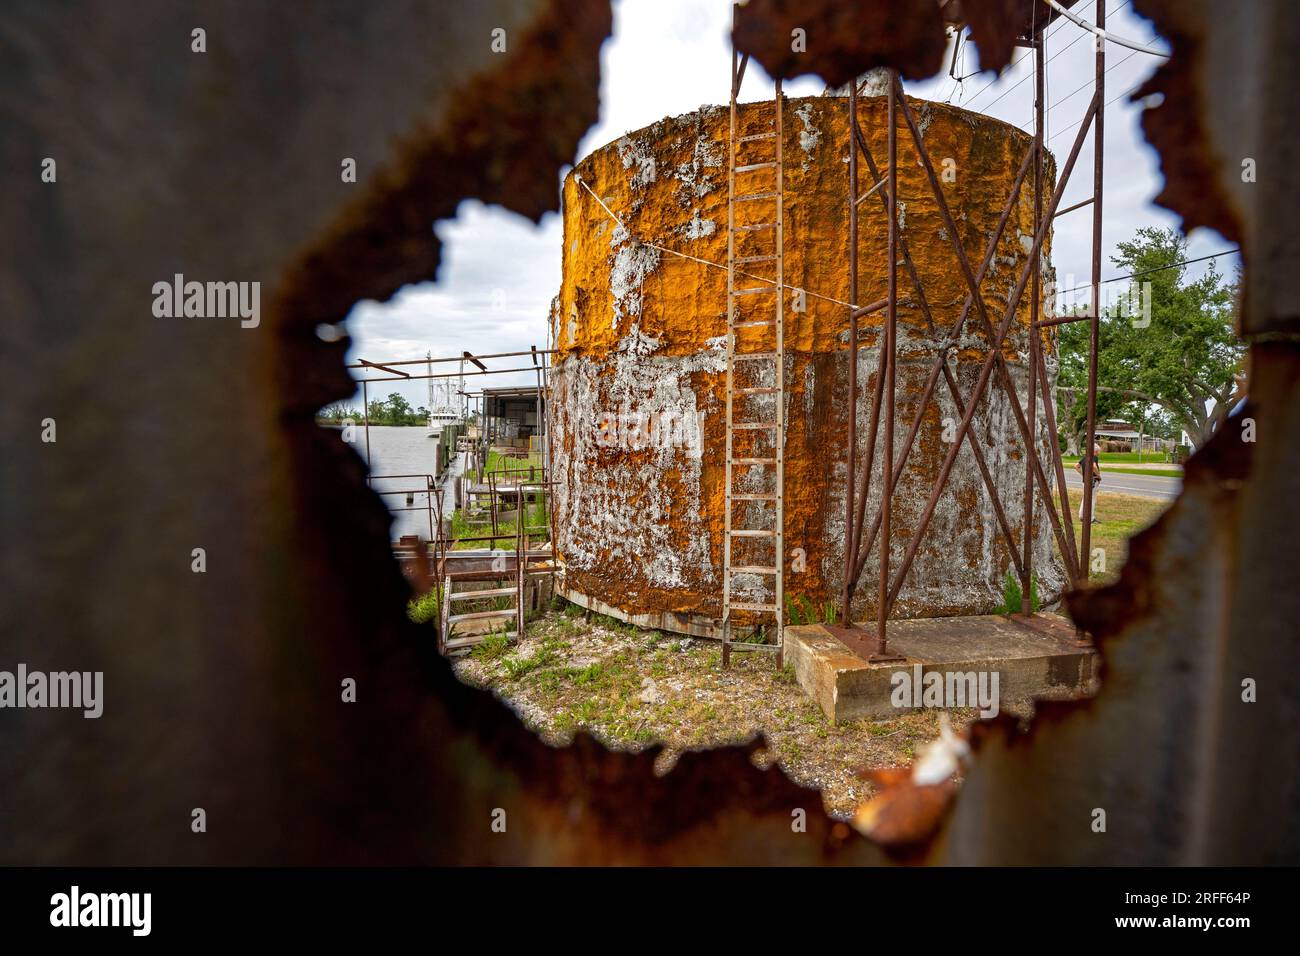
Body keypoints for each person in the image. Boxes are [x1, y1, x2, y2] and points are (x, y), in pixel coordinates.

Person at [1076, 444, 1101, 523]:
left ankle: (1081, 515)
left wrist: (1083, 474)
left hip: (1085, 481)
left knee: (1085, 497)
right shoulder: (1094, 457)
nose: (1099, 453)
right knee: (1092, 499)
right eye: (1098, 451)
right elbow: (1094, 467)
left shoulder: (1084, 457)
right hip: (1093, 481)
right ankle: (1091, 518)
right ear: (1095, 451)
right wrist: (1098, 475)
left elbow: (1076, 466)